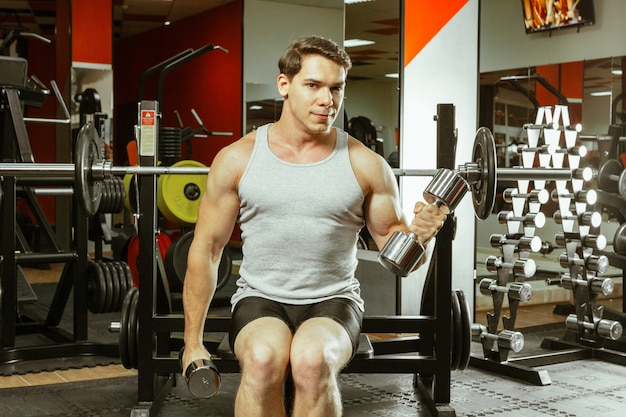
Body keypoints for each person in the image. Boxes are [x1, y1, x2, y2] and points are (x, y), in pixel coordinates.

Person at [181, 35, 447, 417]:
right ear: (284, 85)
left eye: (336, 88)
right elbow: (207, 249)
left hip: (333, 300)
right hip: (261, 298)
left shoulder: (366, 164)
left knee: (311, 360)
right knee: (260, 359)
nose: (328, 100)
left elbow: (398, 254)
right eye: (313, 85)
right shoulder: (237, 159)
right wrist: (192, 342)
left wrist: (422, 236)